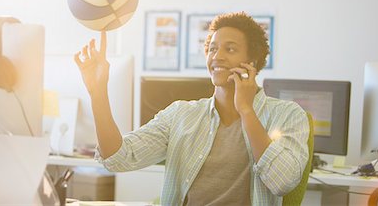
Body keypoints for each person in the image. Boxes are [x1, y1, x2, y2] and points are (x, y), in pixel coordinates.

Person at [74, 12, 309, 206]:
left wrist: (246, 110)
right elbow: (119, 158)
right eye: (213, 48)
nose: (217, 56)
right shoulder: (181, 115)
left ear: (253, 62)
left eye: (230, 49)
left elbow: (283, 181)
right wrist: (98, 92)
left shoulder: (288, 114)